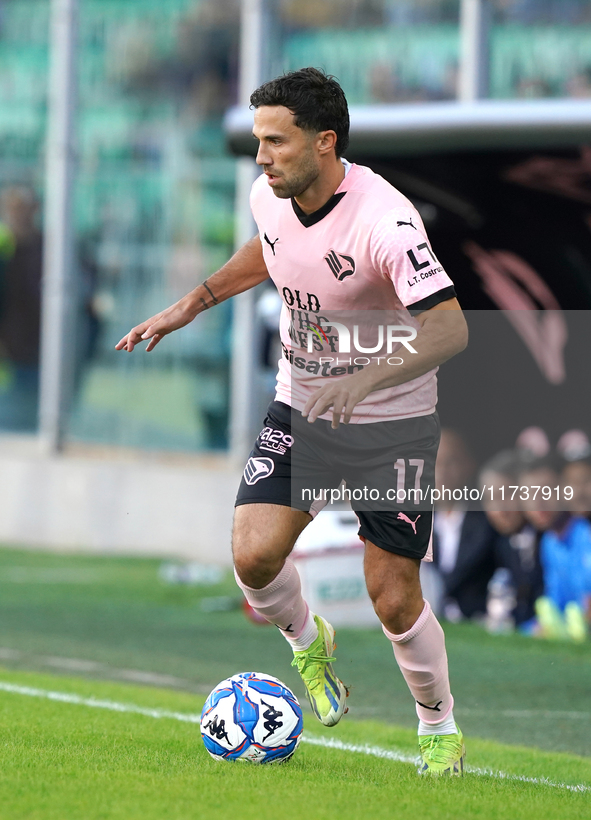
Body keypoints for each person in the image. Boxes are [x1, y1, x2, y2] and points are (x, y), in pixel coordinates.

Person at [116, 68, 468, 775]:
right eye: (258, 140)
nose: (262, 156)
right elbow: (271, 249)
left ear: (324, 141)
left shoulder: (385, 221)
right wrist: (195, 301)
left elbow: (448, 330)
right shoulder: (268, 193)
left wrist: (367, 378)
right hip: (303, 405)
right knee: (251, 554)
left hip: (389, 423)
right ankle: (311, 647)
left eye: (276, 141)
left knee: (394, 600)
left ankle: (438, 728)